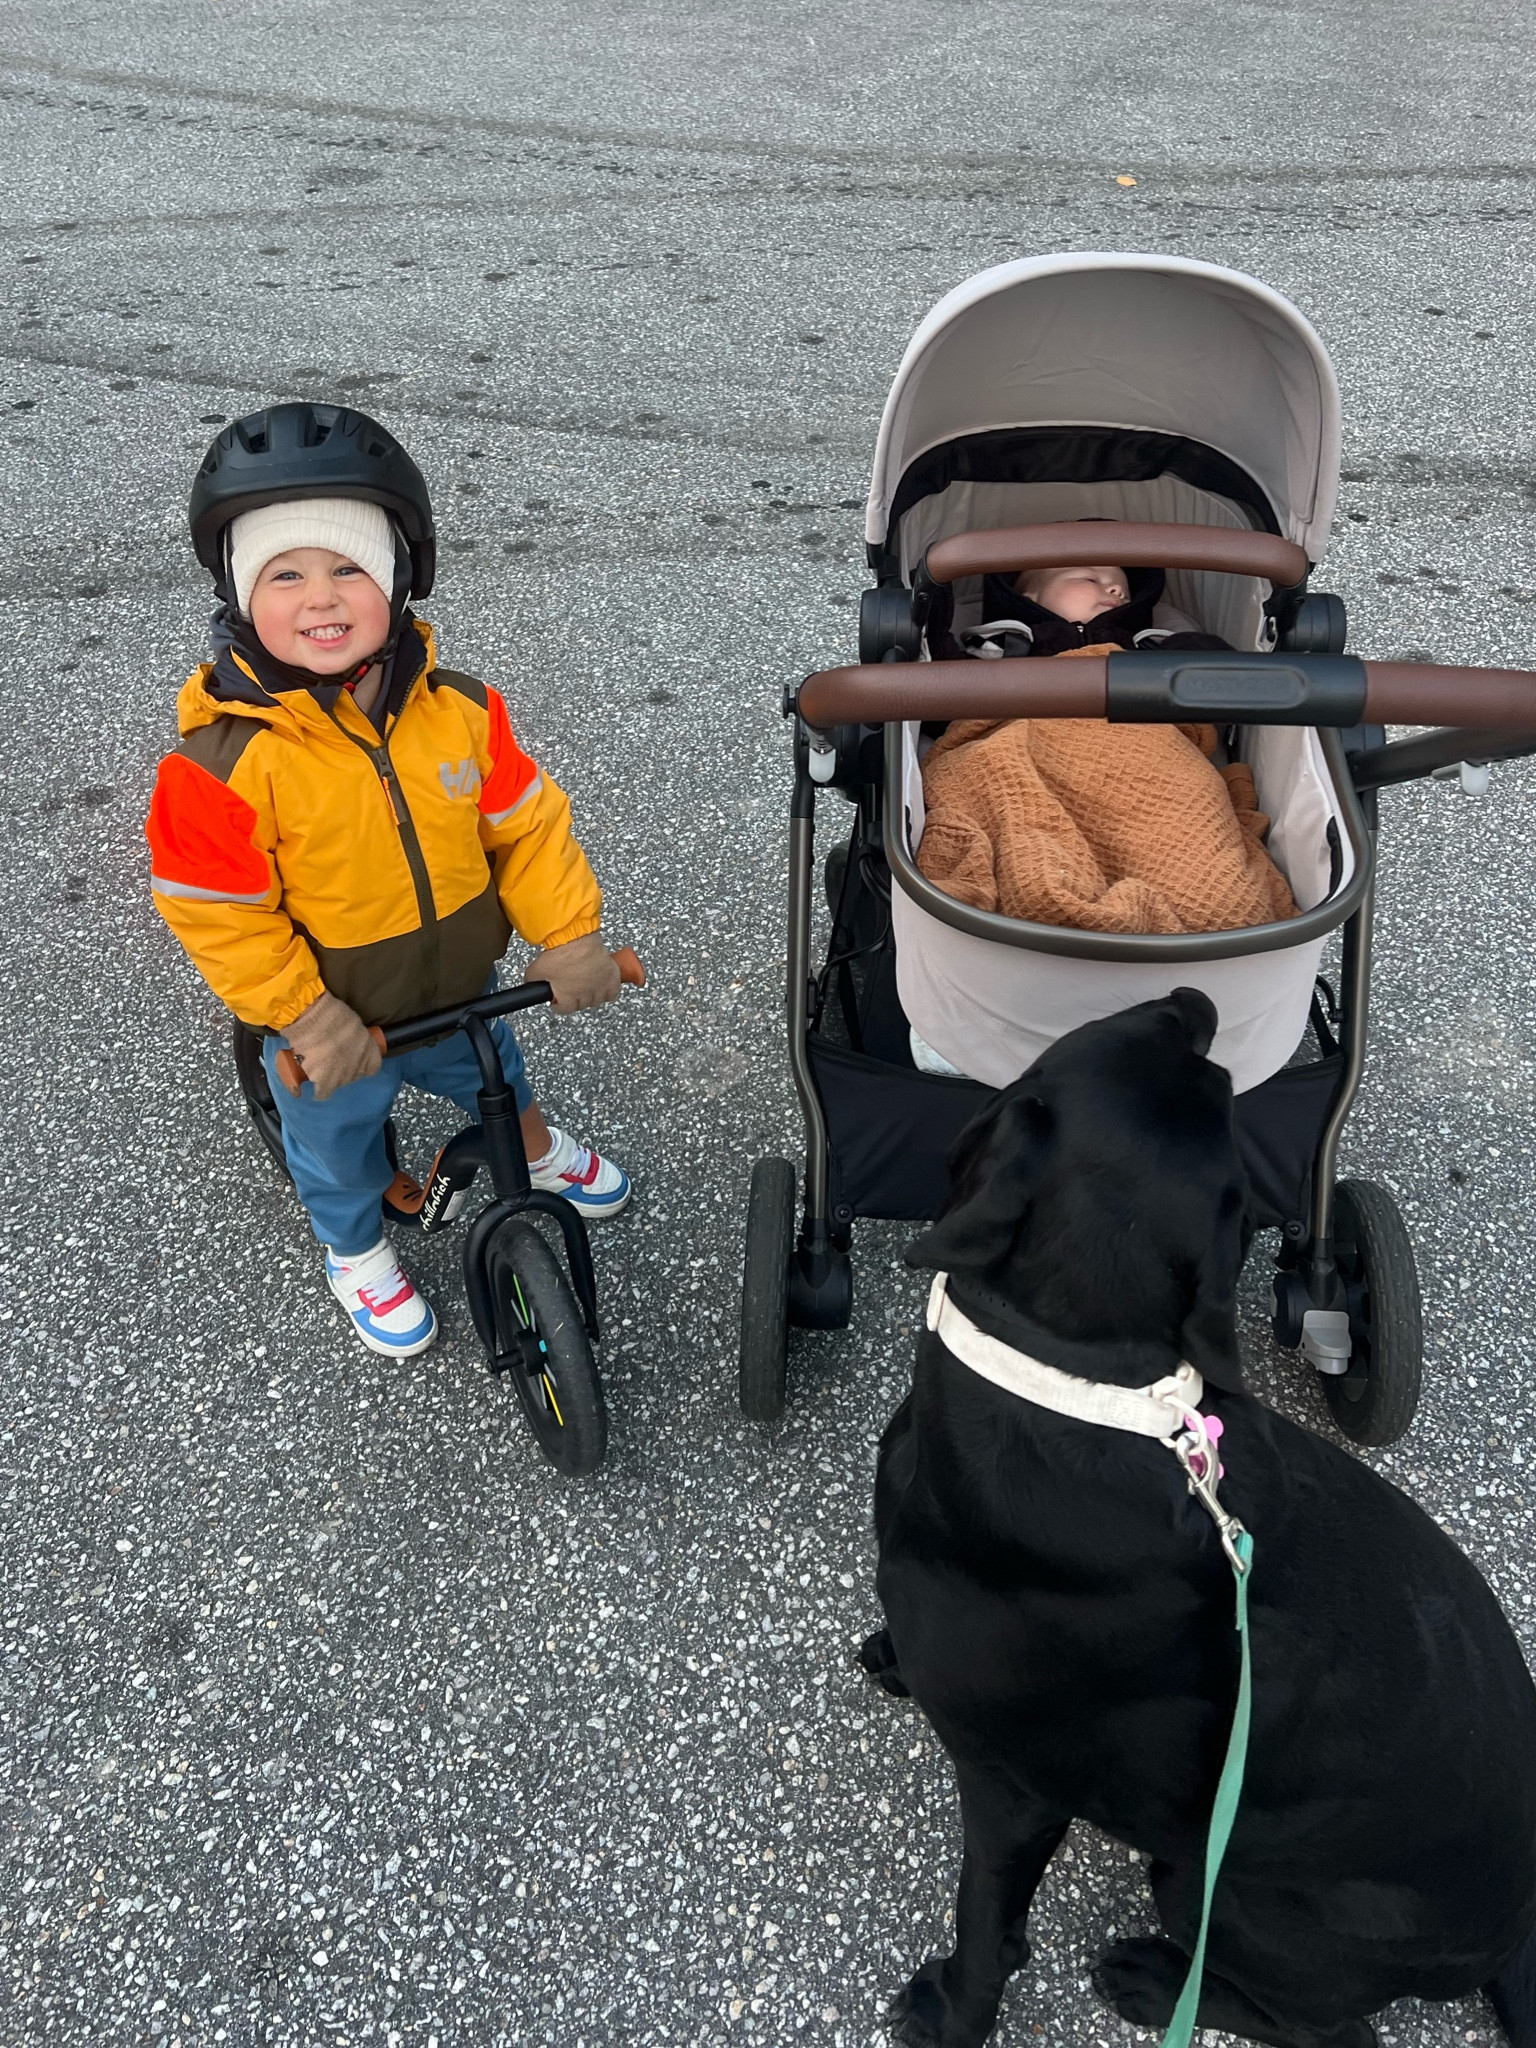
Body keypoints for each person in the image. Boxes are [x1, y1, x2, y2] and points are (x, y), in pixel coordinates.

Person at [146, 403, 630, 1359]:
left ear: (401, 578)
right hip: (332, 1013)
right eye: (284, 574)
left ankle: (531, 1147)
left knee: (495, 1071)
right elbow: (220, 914)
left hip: (456, 986)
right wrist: (301, 1011)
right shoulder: (220, 764)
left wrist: (569, 934)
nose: (320, 598)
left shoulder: (462, 711)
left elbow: (525, 828)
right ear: (242, 593)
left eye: (349, 567)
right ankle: (355, 1253)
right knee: (336, 1145)